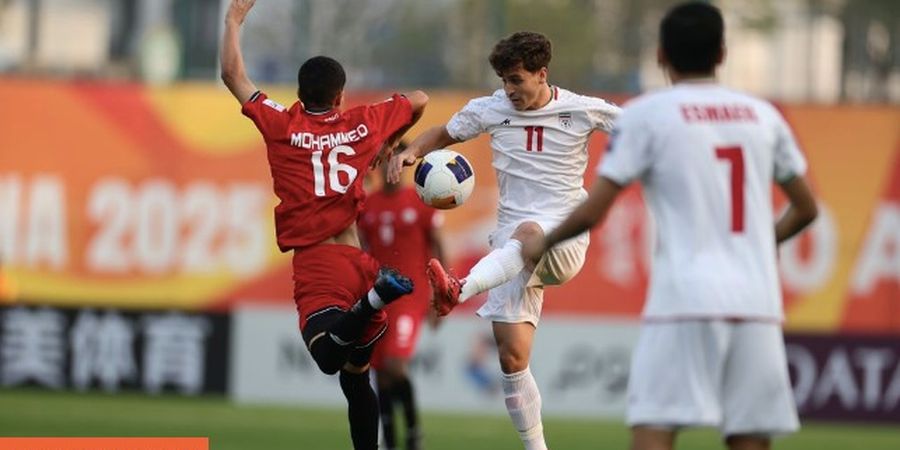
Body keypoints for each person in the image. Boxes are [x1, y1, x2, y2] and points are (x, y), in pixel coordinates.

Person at [522, 3, 819, 450]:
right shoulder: (762, 116)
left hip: (684, 300)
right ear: (722, 53)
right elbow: (806, 208)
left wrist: (544, 241)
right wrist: (764, 242)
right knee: (750, 439)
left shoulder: (648, 114)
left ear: (661, 55)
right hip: (756, 303)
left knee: (654, 431)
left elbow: (595, 208)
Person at [388, 31, 621, 450]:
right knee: (512, 358)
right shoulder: (492, 109)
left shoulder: (583, 110)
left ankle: (460, 288)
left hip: (563, 234)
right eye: (503, 81)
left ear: (541, 74)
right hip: (510, 244)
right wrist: (411, 154)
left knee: (529, 234)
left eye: (516, 80)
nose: (509, 90)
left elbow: (638, 128)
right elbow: (441, 134)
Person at [220, 1, 428, 449]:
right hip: (360, 259)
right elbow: (419, 101)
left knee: (328, 357)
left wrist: (233, 21)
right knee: (357, 379)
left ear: (299, 94)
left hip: (321, 265)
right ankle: (371, 301)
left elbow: (234, 77)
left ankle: (373, 299)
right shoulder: (361, 123)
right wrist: (387, 147)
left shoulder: (281, 124)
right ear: (339, 97)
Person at [358, 147, 446, 450]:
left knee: (396, 366)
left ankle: (412, 431)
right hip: (379, 298)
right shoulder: (368, 205)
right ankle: (392, 441)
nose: (390, 166)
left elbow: (437, 248)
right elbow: (362, 250)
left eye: (397, 159)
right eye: (386, 160)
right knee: (381, 375)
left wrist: (441, 296)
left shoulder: (420, 202)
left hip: (412, 296)